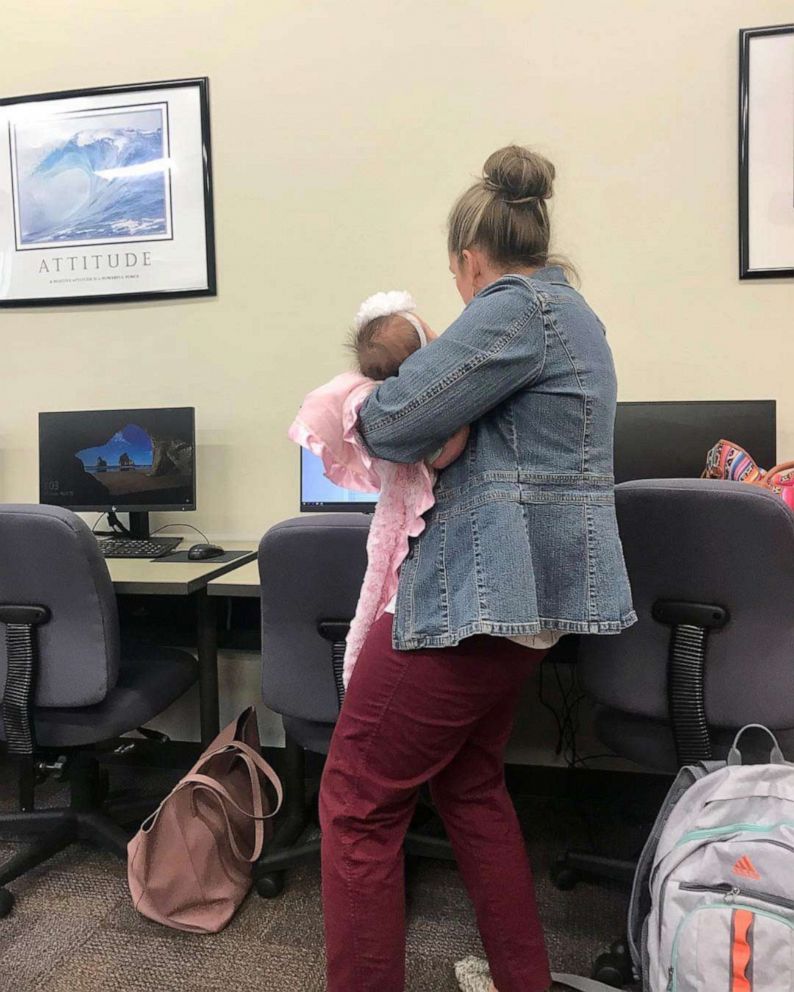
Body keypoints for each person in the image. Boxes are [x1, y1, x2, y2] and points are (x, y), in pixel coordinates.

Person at [318, 144, 637, 992]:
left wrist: (365, 384)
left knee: (355, 801)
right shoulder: (573, 313)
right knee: (471, 788)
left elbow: (389, 423)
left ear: (467, 259)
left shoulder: (509, 310)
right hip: (523, 609)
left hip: (476, 597)